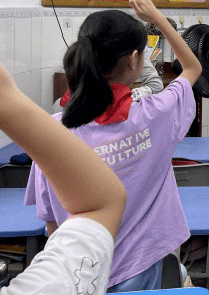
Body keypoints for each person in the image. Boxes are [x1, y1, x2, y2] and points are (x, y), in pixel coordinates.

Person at [25, 0, 202, 292]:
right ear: (135, 59)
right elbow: (192, 69)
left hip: (82, 274)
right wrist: (157, 18)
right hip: (143, 267)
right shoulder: (155, 114)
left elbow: (51, 221)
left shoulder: (52, 131)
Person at [0, 63, 126, 294]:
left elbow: (48, 216)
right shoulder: (146, 112)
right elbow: (104, 203)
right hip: (117, 254)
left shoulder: (58, 114)